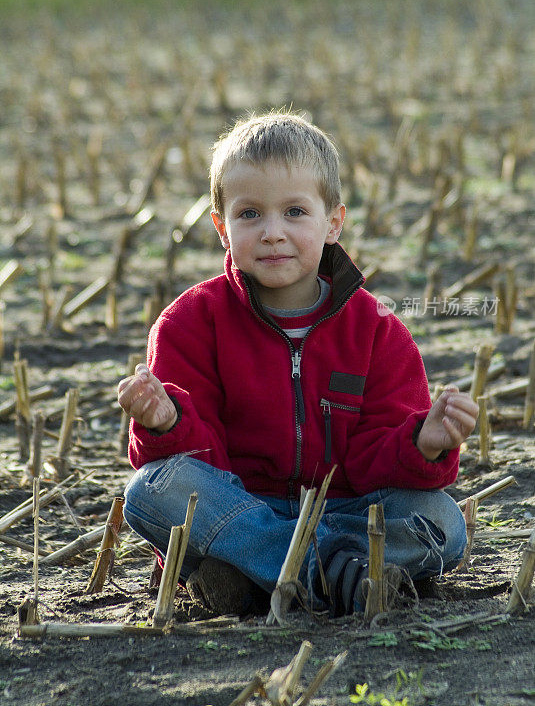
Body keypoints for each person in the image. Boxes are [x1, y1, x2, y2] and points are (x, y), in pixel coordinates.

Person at [118, 111, 478, 617]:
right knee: (151, 491)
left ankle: (258, 575)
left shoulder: (378, 331)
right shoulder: (189, 323)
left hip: (344, 510)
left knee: (442, 519)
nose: (272, 233)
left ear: (332, 222)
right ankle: (328, 571)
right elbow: (199, 466)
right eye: (249, 215)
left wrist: (424, 441)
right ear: (221, 227)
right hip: (241, 509)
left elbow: (374, 461)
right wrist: (165, 422)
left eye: (294, 212)